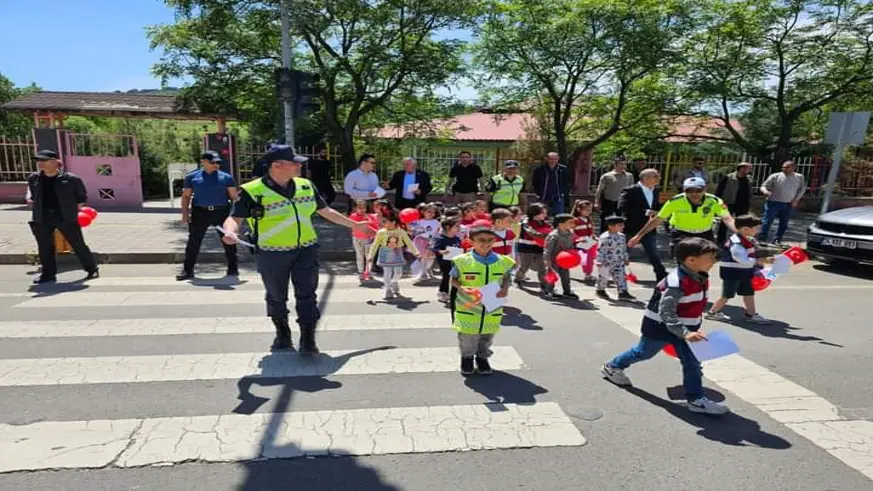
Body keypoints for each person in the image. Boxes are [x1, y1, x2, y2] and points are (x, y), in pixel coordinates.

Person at [221, 145, 371, 353]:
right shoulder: (252, 190)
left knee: (307, 294)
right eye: (294, 162)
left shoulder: (306, 185)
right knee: (276, 295)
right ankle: (282, 334)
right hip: (271, 252)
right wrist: (230, 232)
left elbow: (325, 210)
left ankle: (308, 339)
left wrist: (355, 225)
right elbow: (234, 217)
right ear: (277, 165)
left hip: (305, 249)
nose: (299, 165)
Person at [601, 238, 728, 415]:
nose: (714, 261)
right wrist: (685, 332)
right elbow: (666, 312)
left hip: (685, 330)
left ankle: (696, 399)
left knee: (692, 363)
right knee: (643, 352)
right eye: (710, 257)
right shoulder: (676, 283)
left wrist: (693, 328)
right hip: (660, 328)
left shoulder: (699, 275)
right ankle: (613, 366)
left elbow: (691, 306)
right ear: (690, 260)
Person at [26, 149, 99, 284]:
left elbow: (81, 197)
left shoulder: (70, 179)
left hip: (65, 217)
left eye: (44, 160)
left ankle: (91, 268)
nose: (40, 164)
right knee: (45, 247)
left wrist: (73, 210)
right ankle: (48, 274)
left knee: (77, 243)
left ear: (54, 162)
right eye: (39, 161)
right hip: (42, 217)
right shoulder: (34, 178)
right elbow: (32, 195)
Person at [450, 225, 515, 375]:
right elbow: (453, 279)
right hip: (469, 306)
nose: (486, 244)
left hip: (492, 306)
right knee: (468, 336)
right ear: (471, 241)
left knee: (487, 335)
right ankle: (466, 359)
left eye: (490, 240)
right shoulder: (461, 261)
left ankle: (482, 358)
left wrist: (505, 288)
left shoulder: (504, 261)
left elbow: (506, 278)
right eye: (481, 240)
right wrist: (461, 288)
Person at [628, 177, 735, 254]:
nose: (694, 194)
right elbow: (658, 219)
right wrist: (639, 236)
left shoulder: (714, 201)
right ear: (684, 190)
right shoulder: (675, 201)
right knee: (685, 262)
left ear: (705, 189)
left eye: (699, 190)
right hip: (681, 234)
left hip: (705, 234)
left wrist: (741, 233)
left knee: (704, 263)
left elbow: (727, 218)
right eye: (690, 190)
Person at [177, 151, 239, 281]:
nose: (215, 165)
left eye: (218, 163)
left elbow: (234, 197)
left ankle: (233, 268)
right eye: (212, 162)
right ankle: (187, 271)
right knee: (194, 241)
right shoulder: (192, 177)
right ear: (203, 162)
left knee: (228, 239)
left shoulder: (226, 177)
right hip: (200, 212)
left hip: (221, 211)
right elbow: (186, 196)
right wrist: (185, 214)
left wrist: (235, 216)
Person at [707, 214, 771, 324]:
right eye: (756, 228)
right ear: (745, 229)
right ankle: (712, 312)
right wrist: (758, 261)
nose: (758, 231)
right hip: (732, 272)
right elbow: (741, 259)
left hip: (743, 271)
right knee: (727, 295)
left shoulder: (746, 239)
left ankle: (751, 314)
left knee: (748, 293)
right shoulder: (736, 243)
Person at [618, 168, 667, 280]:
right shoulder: (630, 190)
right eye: (655, 176)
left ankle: (661, 274)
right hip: (631, 227)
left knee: (653, 252)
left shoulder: (655, 190)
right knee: (624, 253)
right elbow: (622, 207)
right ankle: (618, 273)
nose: (659, 178)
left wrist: (657, 211)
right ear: (646, 178)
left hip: (649, 227)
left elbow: (655, 206)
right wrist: (645, 212)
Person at [367, 210, 420, 300]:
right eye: (382, 221)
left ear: (393, 222)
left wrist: (416, 253)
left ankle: (394, 282)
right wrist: (370, 255)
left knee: (398, 273)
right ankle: (387, 290)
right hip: (385, 253)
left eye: (385, 221)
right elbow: (375, 244)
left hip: (397, 253)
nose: (382, 223)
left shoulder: (401, 232)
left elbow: (409, 243)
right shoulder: (381, 232)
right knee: (387, 272)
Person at [759, 160, 807, 245]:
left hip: (788, 204)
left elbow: (802, 189)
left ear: (793, 167)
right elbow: (763, 186)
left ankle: (777, 239)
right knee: (767, 221)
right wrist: (765, 191)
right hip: (773, 202)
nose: (784, 169)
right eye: (783, 167)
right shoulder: (775, 176)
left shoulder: (799, 177)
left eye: (787, 167)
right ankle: (762, 239)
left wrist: (796, 200)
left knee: (784, 223)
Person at [595, 215, 634, 301]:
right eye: (620, 225)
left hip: (619, 261)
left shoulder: (622, 236)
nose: (623, 227)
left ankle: (623, 292)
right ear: (611, 226)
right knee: (603, 277)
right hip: (606, 262)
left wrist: (626, 258)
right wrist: (599, 261)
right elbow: (600, 249)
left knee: (621, 277)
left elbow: (624, 248)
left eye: (623, 225)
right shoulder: (605, 237)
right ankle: (600, 290)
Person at [515, 203, 552, 291]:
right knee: (525, 266)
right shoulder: (525, 222)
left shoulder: (544, 223)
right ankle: (518, 278)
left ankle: (545, 286)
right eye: (543, 213)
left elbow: (551, 230)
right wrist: (543, 235)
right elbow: (531, 232)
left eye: (546, 213)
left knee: (542, 268)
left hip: (540, 248)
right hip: (526, 248)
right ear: (534, 213)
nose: (545, 215)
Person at [715, 162, 754, 244]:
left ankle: (740, 239)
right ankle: (721, 240)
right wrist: (719, 202)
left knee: (742, 223)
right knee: (725, 223)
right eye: (748, 168)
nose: (750, 170)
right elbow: (719, 190)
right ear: (741, 168)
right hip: (729, 202)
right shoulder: (728, 177)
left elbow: (750, 192)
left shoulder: (749, 178)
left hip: (743, 204)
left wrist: (749, 202)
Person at [594, 155, 634, 232]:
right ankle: (604, 236)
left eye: (624, 164)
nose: (623, 166)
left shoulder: (629, 176)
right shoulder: (607, 176)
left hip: (622, 202)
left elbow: (631, 189)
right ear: (615, 164)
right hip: (609, 200)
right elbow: (600, 190)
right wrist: (596, 202)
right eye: (621, 164)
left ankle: (619, 236)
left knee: (621, 220)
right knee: (605, 220)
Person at [543, 214, 580, 299]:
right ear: (561, 224)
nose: (572, 224)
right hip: (553, 260)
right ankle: (548, 291)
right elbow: (547, 249)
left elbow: (571, 245)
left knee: (566, 276)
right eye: (570, 222)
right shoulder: (554, 235)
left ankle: (567, 291)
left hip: (565, 260)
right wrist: (547, 262)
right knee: (552, 276)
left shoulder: (570, 233)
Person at [432, 217, 462, 303]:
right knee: (446, 277)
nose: (459, 228)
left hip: (456, 262)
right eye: (457, 226)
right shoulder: (440, 238)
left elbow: (460, 248)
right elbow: (434, 249)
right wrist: (441, 251)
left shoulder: (457, 239)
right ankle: (442, 292)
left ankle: (455, 293)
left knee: (457, 278)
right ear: (448, 227)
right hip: (445, 263)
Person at [410, 203, 440, 283]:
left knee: (431, 257)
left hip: (432, 241)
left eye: (433, 212)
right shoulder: (419, 221)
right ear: (423, 212)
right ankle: (423, 273)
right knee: (424, 257)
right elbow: (411, 228)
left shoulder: (436, 221)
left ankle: (428, 270)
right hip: (421, 240)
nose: (431, 214)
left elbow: (437, 231)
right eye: (429, 212)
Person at [349, 199, 378, 282]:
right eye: (360, 208)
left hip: (368, 239)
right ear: (355, 208)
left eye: (364, 208)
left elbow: (375, 226)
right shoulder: (353, 216)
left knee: (369, 256)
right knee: (359, 255)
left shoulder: (370, 216)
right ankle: (361, 272)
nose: (362, 210)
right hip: (357, 238)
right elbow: (353, 225)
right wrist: (365, 222)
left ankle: (368, 271)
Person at [570, 199, 597, 281]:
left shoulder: (588, 219)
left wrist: (594, 236)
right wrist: (579, 239)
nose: (589, 211)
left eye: (590, 209)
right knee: (587, 257)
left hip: (589, 241)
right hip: (579, 243)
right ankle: (588, 274)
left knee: (594, 256)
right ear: (579, 209)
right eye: (587, 209)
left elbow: (591, 231)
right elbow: (571, 232)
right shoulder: (575, 220)